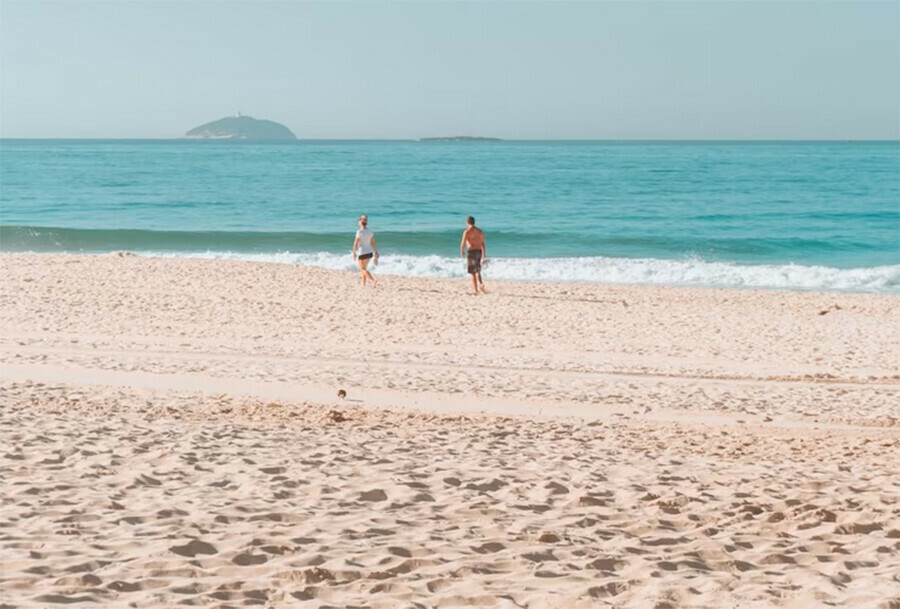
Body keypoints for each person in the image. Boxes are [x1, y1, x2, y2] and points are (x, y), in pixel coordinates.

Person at [460, 216, 486, 294]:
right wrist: (484, 255)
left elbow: (463, 243)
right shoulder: (480, 231)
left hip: (471, 252)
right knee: (477, 270)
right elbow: (482, 244)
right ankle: (481, 283)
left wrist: (462, 251)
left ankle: (475, 290)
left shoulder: (467, 232)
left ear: (467, 222)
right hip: (479, 251)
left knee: (472, 272)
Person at [351, 215, 379, 287]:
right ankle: (363, 284)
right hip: (369, 253)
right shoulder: (370, 232)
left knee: (362, 269)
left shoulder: (359, 232)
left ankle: (373, 280)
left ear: (360, 222)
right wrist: (376, 251)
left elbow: (355, 243)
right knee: (364, 268)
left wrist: (354, 252)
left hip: (362, 253)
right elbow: (373, 242)